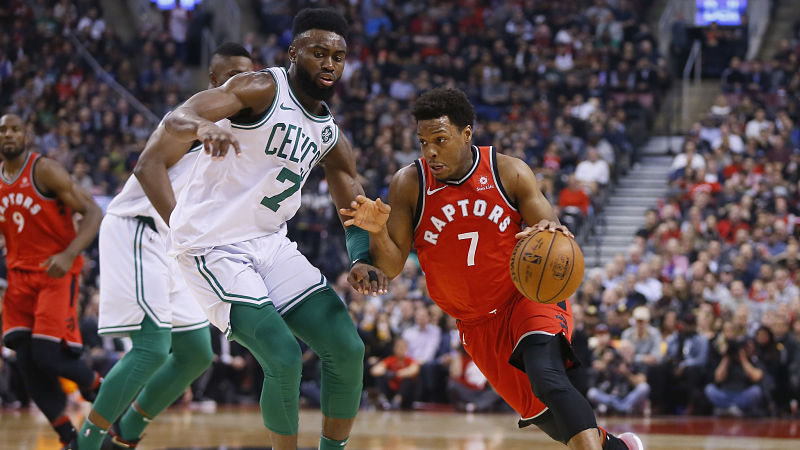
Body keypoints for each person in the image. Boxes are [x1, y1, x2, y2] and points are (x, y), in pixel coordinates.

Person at [134, 8, 388, 450]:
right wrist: (203, 126)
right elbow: (180, 115)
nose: (329, 63)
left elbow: (352, 200)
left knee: (347, 348)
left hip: (270, 244)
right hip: (212, 246)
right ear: (294, 52)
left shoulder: (330, 134)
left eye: (338, 56)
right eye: (318, 52)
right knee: (283, 356)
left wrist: (361, 256)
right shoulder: (260, 87)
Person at [341, 88, 643, 450]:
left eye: (440, 140)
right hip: (475, 322)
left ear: (466, 134)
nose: (430, 151)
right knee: (543, 414)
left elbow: (551, 231)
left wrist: (552, 231)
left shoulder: (508, 172)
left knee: (548, 379)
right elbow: (390, 267)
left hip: (526, 297)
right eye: (423, 142)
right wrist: (376, 233)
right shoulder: (410, 183)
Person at [72, 43, 256, 450]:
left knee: (196, 354)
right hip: (139, 229)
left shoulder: (248, 130)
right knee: (151, 350)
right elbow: (171, 131)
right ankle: (85, 443)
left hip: (175, 242)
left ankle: (127, 435)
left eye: (246, 75)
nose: (237, 83)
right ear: (213, 81)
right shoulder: (194, 118)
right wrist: (201, 126)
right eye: (229, 76)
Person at [0, 113, 103, 447]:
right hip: (18, 277)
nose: (9, 134)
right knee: (26, 361)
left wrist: (70, 254)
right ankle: (67, 436)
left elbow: (92, 212)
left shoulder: (44, 170)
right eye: (3, 130)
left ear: (26, 135)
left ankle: (100, 388)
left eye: (15, 128)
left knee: (46, 355)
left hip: (54, 273)